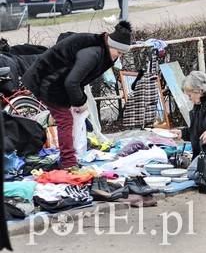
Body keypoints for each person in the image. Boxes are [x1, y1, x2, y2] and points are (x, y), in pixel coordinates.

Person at [21, 21, 134, 169]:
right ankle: (68, 163)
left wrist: (79, 100)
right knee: (65, 121)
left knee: (66, 120)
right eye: (118, 53)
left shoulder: (100, 50)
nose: (118, 57)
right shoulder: (93, 53)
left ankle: (69, 158)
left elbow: (76, 80)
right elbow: (72, 82)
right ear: (110, 45)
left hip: (52, 81)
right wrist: (80, 102)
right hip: (49, 83)